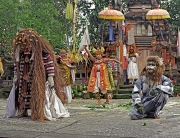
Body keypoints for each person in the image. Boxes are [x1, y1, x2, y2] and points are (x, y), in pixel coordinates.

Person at [4, 28, 69, 121]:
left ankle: (38, 111)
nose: (24, 46)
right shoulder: (20, 54)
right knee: (22, 93)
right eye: (22, 44)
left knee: (37, 94)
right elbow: (16, 65)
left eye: (26, 44)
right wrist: (16, 75)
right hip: (23, 78)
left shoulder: (42, 53)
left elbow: (49, 64)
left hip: (36, 79)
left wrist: (50, 77)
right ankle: (23, 110)